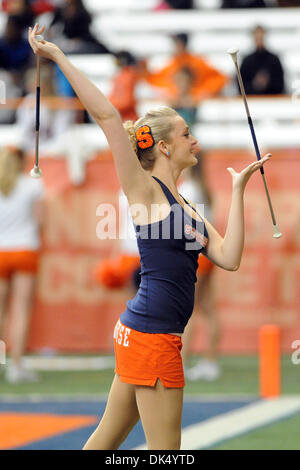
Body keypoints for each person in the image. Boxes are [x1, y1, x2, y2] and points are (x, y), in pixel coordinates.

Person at [28, 23, 271, 450]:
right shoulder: (144, 192)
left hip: (145, 332)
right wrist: (58, 57)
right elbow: (107, 116)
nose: (194, 141)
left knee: (106, 441)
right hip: (152, 336)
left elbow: (230, 258)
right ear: (162, 147)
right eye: (185, 135)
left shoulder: (189, 206)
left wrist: (237, 191)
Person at [0, 146, 44, 383]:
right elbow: (40, 220)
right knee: (21, 311)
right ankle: (16, 366)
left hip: (0, 252)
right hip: (25, 249)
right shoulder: (32, 185)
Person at [179, 155, 221, 381]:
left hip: (195, 254)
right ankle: (210, 361)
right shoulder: (202, 187)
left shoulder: (188, 188)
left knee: (189, 310)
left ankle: (183, 362)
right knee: (207, 307)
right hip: (207, 252)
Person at [141, 33, 228, 104]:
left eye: (175, 44)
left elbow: (220, 78)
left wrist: (206, 91)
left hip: (197, 103)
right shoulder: (174, 62)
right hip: (179, 102)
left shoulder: (197, 62)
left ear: (181, 45)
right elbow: (157, 78)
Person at [238, 25, 285, 95]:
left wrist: (267, 83)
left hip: (272, 100)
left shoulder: (274, 59)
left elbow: (280, 85)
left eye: (261, 37)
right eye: (257, 37)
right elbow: (241, 86)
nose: (259, 39)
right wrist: (255, 84)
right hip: (252, 99)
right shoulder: (247, 61)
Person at [109, 51, 140, 123]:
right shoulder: (121, 75)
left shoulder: (129, 76)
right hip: (123, 116)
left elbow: (127, 101)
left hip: (129, 118)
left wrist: (109, 106)